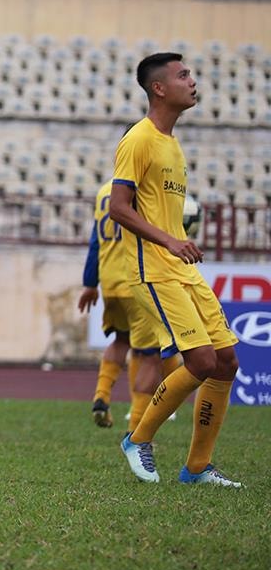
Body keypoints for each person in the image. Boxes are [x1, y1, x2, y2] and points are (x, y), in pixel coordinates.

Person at [113, 53, 241, 487]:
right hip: (154, 269)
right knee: (201, 360)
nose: (193, 80)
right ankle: (138, 438)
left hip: (181, 268)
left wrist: (177, 239)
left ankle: (197, 468)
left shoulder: (172, 142)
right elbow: (118, 208)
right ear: (159, 89)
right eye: (183, 75)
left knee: (226, 362)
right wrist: (169, 239)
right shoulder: (139, 139)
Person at [77, 179, 170, 431]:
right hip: (137, 280)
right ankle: (137, 432)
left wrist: (89, 283)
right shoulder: (145, 189)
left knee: (120, 340)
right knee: (149, 357)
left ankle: (102, 395)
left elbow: (95, 240)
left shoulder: (104, 191)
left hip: (110, 281)